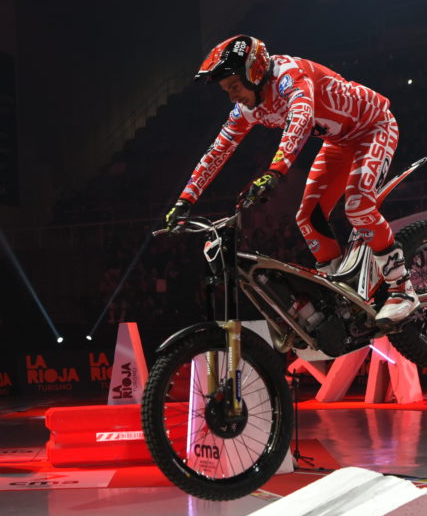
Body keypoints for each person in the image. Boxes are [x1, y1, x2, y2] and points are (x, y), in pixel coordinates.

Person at [166, 35, 413, 324]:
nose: (231, 96)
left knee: (357, 207)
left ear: (253, 71)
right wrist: (185, 200)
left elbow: (301, 119)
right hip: (339, 142)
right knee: (307, 218)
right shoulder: (248, 107)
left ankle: (402, 289)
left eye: (233, 86)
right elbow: (218, 150)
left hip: (374, 128)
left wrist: (275, 171)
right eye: (226, 90)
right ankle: (341, 294)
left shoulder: (290, 76)